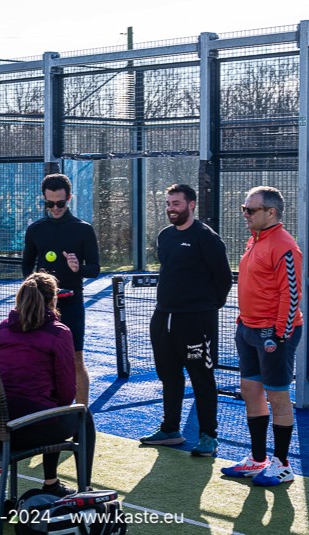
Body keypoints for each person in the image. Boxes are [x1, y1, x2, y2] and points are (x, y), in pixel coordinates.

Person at [140, 184, 233, 456]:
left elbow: (224, 278)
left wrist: (205, 308)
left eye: (176, 203)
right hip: (163, 317)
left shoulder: (206, 237)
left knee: (201, 378)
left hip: (196, 321)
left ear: (191, 205)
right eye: (168, 203)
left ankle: (208, 436)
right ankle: (170, 430)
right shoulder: (165, 236)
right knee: (169, 376)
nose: (171, 208)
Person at [221, 186, 303, 485]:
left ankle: (282, 466)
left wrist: (279, 335)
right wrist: (243, 322)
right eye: (244, 208)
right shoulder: (254, 240)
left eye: (251, 210)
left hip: (274, 334)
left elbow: (291, 294)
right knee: (250, 391)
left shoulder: (284, 245)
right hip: (248, 329)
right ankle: (257, 460)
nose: (245, 214)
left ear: (271, 212)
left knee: (278, 397)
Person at [0, 272, 96, 497]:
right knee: (81, 415)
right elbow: (66, 392)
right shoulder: (59, 332)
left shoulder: (4, 327)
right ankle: (83, 489)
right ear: (53, 299)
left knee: (51, 408)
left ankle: (52, 483)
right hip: (30, 430)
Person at [22, 173, 100, 406]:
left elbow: (94, 268)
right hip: (41, 305)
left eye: (60, 203)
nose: (55, 208)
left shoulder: (83, 229)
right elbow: (26, 265)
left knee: (76, 360)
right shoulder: (35, 229)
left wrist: (78, 268)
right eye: (50, 203)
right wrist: (35, 286)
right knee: (40, 360)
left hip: (72, 302)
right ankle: (45, 412)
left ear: (69, 198)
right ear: (44, 200)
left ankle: (82, 416)